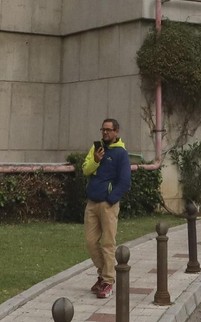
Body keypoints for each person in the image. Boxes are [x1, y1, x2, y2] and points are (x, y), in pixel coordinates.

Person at [83, 117, 132, 299]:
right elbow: (86, 170)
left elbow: (125, 181)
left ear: (116, 132)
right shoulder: (96, 148)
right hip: (92, 203)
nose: (105, 133)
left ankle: (108, 281)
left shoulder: (121, 153)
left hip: (108, 204)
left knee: (108, 244)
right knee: (90, 241)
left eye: (108, 130)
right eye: (103, 129)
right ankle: (103, 274)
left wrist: (111, 199)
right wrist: (95, 160)